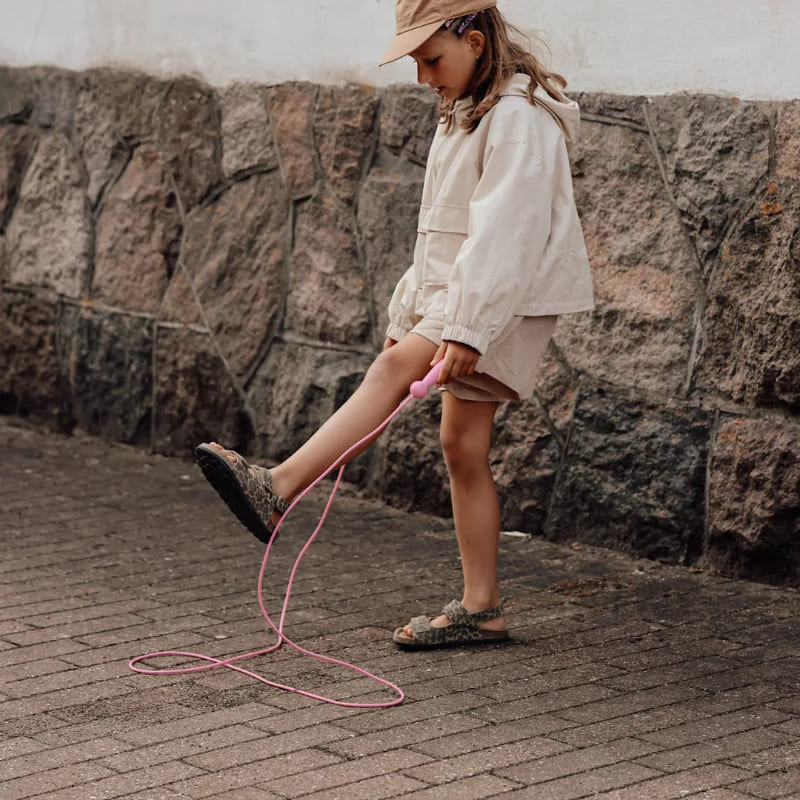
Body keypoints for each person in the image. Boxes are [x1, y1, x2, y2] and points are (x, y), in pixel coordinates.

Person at [196, 0, 594, 650]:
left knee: (391, 374)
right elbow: (438, 233)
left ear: (474, 39)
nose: (422, 76)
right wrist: (407, 313)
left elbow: (508, 236)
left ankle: (276, 489)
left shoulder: (518, 118)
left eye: (431, 59)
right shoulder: (467, 112)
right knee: (461, 444)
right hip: (468, 291)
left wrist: (465, 329)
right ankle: (482, 608)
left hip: (498, 297)